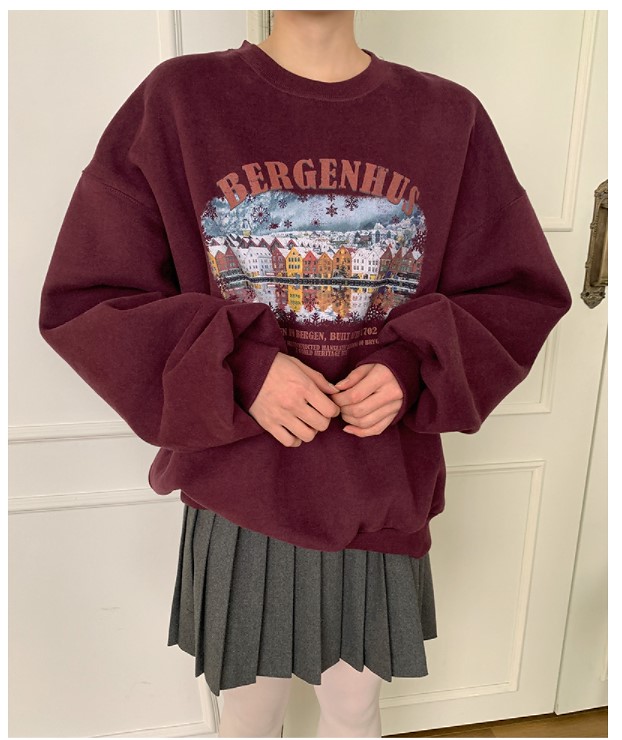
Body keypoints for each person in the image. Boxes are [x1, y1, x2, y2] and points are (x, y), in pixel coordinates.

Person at [38, 10, 573, 738]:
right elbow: (91, 298)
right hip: (240, 487)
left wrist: (412, 366)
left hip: (378, 487)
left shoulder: (449, 117)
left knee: (355, 708)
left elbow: (518, 294)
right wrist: (244, 370)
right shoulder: (180, 100)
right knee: (248, 711)